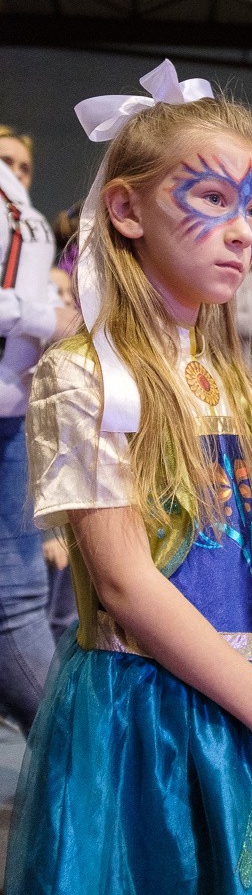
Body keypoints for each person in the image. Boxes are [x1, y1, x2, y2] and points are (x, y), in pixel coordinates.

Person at [4, 61, 252, 895]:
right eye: (213, 199)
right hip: (147, 716)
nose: (242, 232)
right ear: (124, 208)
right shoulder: (83, 377)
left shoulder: (231, 375)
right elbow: (122, 583)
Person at [0, 128, 78, 737]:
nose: (15, 173)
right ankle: (67, 738)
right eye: (5, 160)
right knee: (18, 603)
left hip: (14, 415)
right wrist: (45, 315)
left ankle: (66, 738)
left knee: (23, 598)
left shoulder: (29, 227)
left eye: (24, 164)